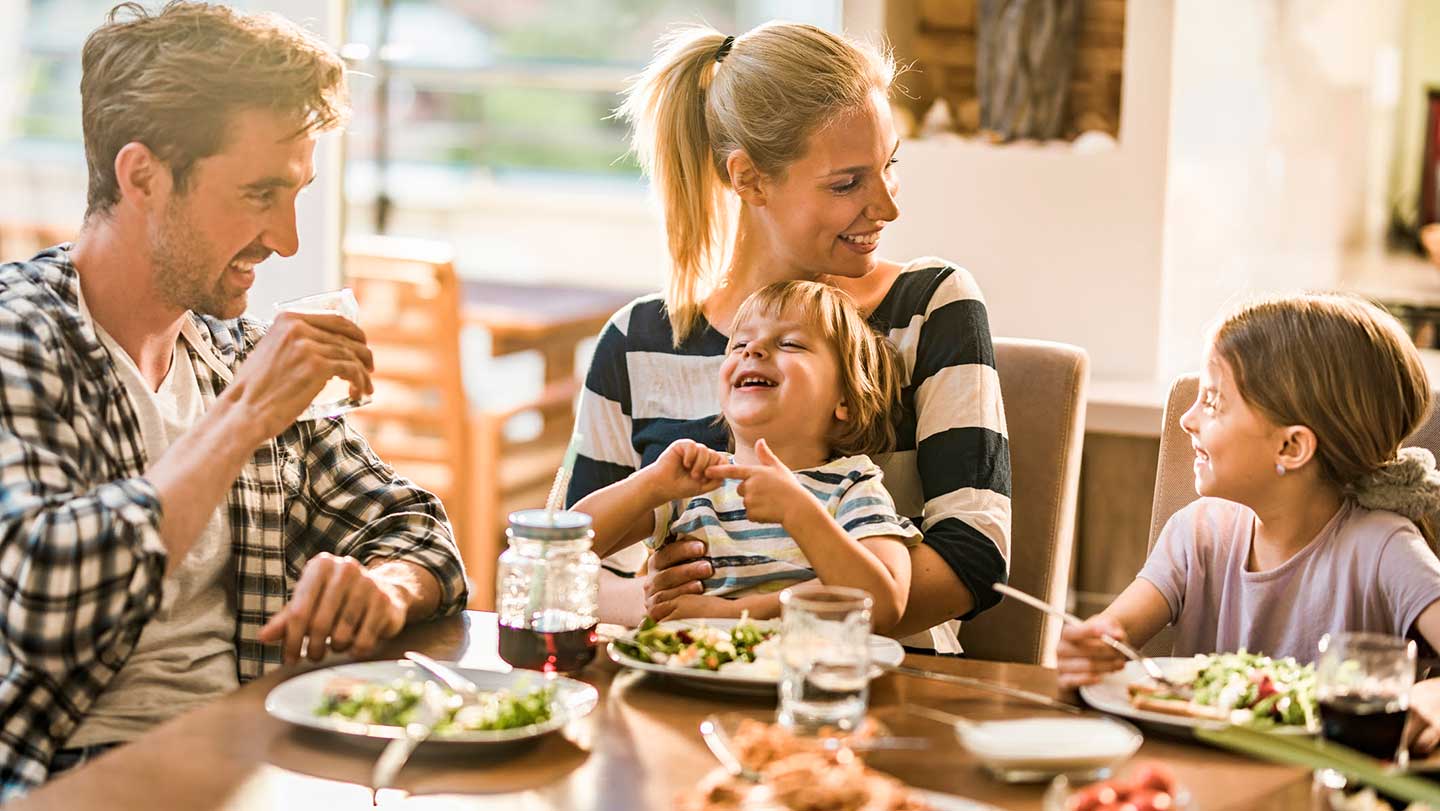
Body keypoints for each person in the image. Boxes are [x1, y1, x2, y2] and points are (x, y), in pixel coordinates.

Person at [0, 2, 467, 797]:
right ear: (140, 174)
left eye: (296, 194)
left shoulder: (236, 351)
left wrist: (382, 588)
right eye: (258, 193)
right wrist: (243, 416)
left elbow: (417, 529)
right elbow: (42, 602)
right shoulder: (23, 338)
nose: (285, 239)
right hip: (77, 774)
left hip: (257, 748)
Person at [567, 22, 1011, 652]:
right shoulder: (637, 341)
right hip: (685, 685)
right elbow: (559, 565)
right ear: (749, 179)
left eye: (889, 167)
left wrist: (743, 612)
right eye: (847, 183)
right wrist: (652, 600)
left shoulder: (930, 306)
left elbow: (974, 556)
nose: (886, 206)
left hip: (868, 685)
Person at [1058, 293, 1440, 687]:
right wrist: (1088, 648)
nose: (1187, 420)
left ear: (1291, 447)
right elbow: (1113, 633)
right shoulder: (1196, 533)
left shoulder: (1383, 548)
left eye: (1212, 402)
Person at [574, 281, 921, 632]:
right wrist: (647, 485)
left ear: (844, 399)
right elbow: (565, 548)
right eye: (739, 344)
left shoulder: (852, 486)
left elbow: (884, 603)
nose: (752, 349)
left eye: (790, 343)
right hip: (686, 678)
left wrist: (798, 513)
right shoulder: (693, 485)